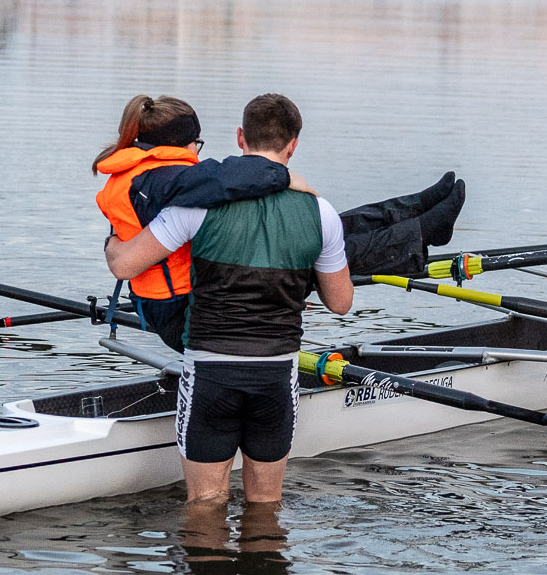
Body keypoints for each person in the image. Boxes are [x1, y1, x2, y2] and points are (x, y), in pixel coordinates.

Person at [105, 94, 354, 504]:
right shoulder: (320, 211)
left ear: (240, 138)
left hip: (211, 373)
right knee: (266, 506)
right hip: (275, 375)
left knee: (204, 506)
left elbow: (125, 265)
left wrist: (113, 242)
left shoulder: (197, 206)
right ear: (293, 145)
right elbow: (341, 302)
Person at [95, 95, 464, 350]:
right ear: (181, 145)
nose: (199, 153)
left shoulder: (142, 173)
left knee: (322, 226)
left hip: (196, 294)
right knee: (314, 240)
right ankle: (422, 232)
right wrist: (285, 179)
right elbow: (227, 179)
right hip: (190, 316)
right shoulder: (165, 177)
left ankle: (415, 210)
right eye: (198, 143)